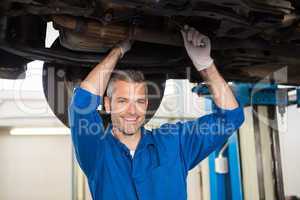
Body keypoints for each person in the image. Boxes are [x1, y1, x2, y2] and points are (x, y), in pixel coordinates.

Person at [68, 25, 245, 200]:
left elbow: (231, 117)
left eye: (139, 101)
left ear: (146, 105)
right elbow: (81, 104)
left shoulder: (174, 143)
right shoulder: (96, 151)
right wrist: (117, 51)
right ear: (107, 104)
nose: (132, 111)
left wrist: (205, 66)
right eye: (123, 101)